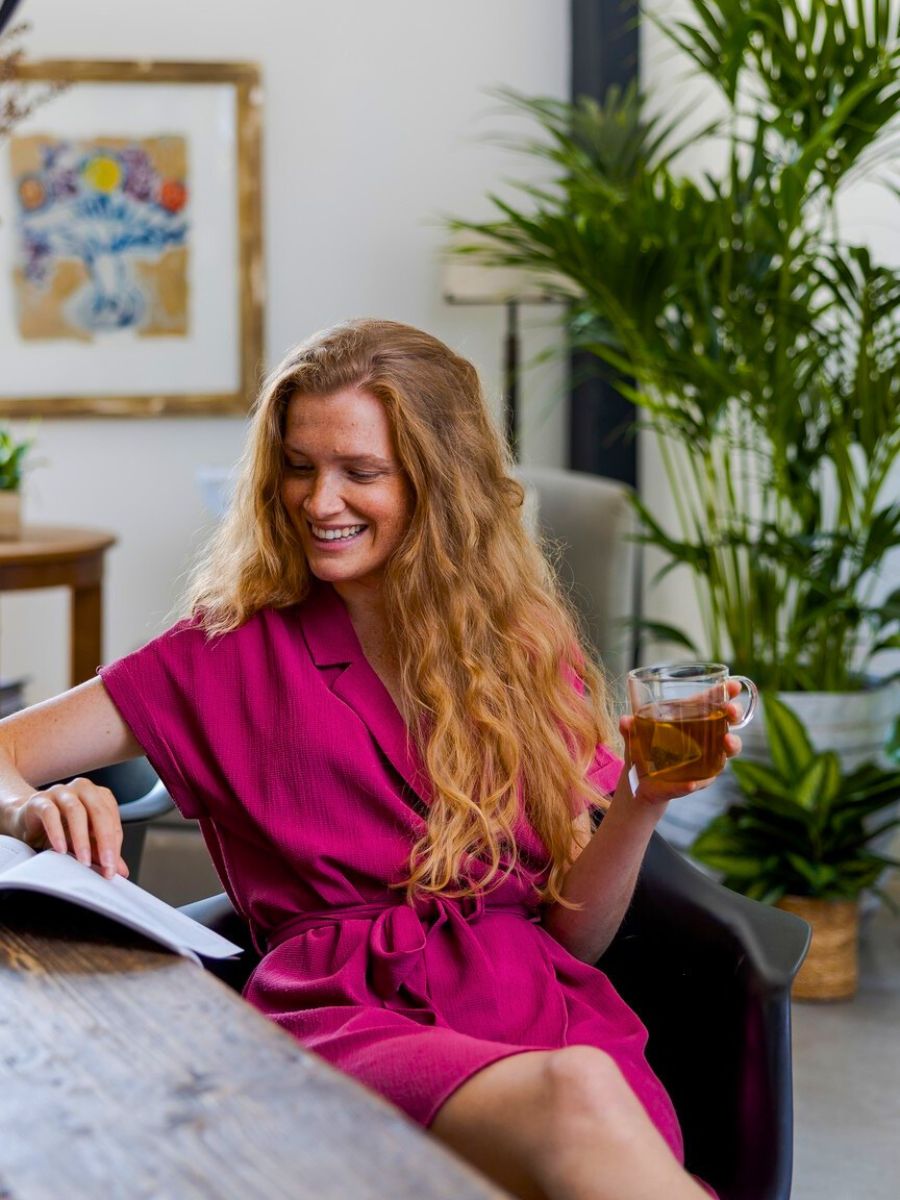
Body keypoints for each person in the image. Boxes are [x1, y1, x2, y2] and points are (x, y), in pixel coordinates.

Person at [0, 319, 742, 1200]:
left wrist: (644, 798)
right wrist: (27, 810)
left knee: (589, 1093)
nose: (320, 501)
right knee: (577, 1096)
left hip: (543, 1010)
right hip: (347, 1021)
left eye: (362, 472)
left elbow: (575, 932)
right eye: (301, 466)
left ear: (439, 484)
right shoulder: (222, 653)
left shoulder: (525, 648)